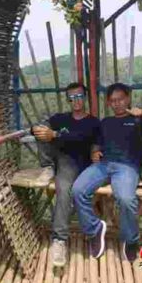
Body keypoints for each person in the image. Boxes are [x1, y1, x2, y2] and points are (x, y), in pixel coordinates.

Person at [72, 83, 142, 262]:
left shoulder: (138, 120)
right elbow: (97, 143)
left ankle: (131, 239)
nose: (117, 103)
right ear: (109, 103)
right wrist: (94, 152)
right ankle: (95, 230)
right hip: (103, 165)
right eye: (113, 101)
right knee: (78, 190)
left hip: (127, 167)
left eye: (120, 99)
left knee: (126, 199)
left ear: (128, 98)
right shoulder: (106, 122)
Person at [32, 82, 100, 267]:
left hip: (75, 162)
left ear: (84, 98)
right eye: (72, 97)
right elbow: (37, 128)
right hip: (58, 158)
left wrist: (54, 134)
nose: (76, 100)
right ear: (68, 100)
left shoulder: (93, 122)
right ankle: (47, 167)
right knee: (41, 129)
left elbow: (81, 138)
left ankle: (59, 239)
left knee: (63, 189)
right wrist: (39, 130)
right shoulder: (61, 118)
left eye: (79, 96)